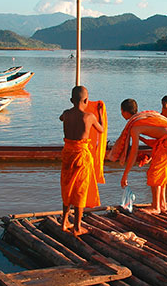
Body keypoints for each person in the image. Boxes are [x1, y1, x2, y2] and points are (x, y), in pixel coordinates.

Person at [109, 98, 167, 214]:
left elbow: (133, 152)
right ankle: (162, 204)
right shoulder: (142, 118)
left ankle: (155, 206)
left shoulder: (135, 126)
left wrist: (125, 175)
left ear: (124, 112)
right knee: (160, 173)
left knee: (154, 173)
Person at [59, 85, 104, 236]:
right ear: (86, 100)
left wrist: (72, 109)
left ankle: (64, 222)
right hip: (81, 156)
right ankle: (77, 227)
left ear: (71, 100)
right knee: (79, 189)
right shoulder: (89, 117)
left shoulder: (66, 114)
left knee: (67, 188)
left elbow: (61, 118)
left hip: (67, 154)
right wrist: (100, 113)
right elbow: (101, 129)